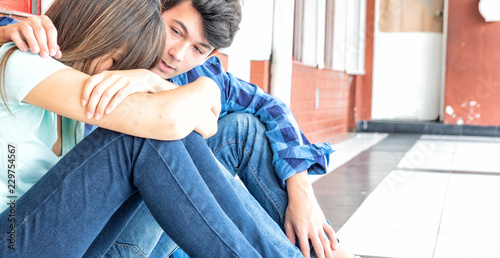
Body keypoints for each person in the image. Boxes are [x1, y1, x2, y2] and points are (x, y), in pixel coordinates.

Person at [1, 1, 359, 257]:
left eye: (198, 49)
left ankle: (319, 250)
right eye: (174, 31)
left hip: (80, 236)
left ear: (210, 54)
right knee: (143, 139)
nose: (176, 55)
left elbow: (234, 115)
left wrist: (303, 191)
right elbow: (169, 122)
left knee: (239, 130)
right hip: (22, 240)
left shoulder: (114, 77)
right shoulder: (29, 62)